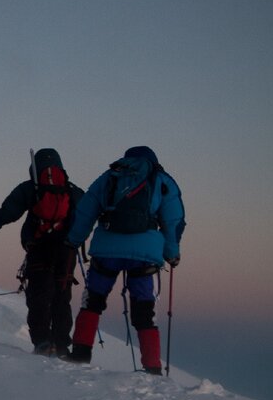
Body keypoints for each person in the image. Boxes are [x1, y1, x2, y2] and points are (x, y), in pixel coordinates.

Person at [63, 146, 185, 374]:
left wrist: (74, 239)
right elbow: (174, 220)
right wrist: (172, 253)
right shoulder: (162, 180)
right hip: (145, 254)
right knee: (144, 310)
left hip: (106, 249)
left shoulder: (110, 176)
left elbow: (86, 210)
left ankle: (80, 354)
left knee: (92, 302)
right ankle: (152, 368)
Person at [0, 148, 84, 357]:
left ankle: (42, 343)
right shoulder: (72, 190)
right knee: (62, 297)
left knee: (39, 296)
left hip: (39, 247)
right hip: (67, 251)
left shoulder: (31, 188)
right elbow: (86, 216)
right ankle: (62, 345)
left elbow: (9, 213)